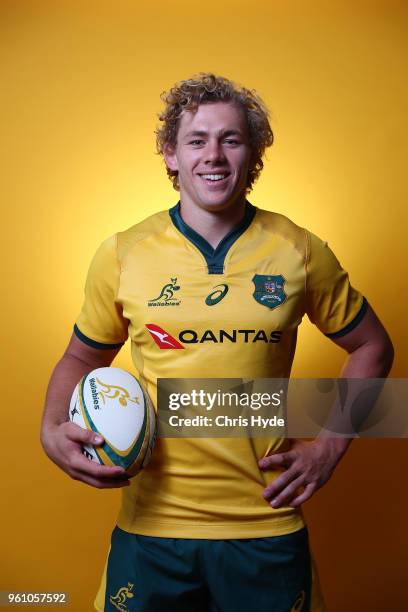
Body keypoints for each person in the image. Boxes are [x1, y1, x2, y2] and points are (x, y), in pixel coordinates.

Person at [41, 73, 394, 612]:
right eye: (197, 140)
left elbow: (373, 346)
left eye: (231, 139)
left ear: (251, 154)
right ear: (171, 155)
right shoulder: (123, 253)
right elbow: (81, 356)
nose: (214, 155)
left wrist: (329, 446)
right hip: (152, 527)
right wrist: (50, 430)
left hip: (267, 527)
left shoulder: (297, 250)